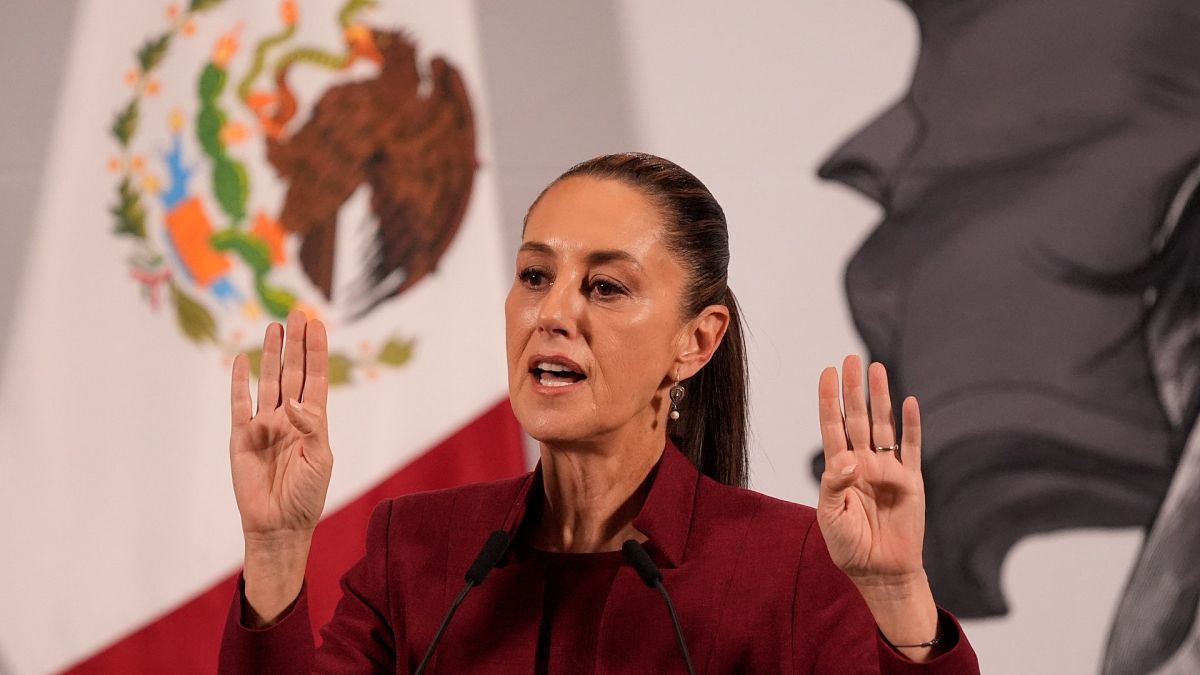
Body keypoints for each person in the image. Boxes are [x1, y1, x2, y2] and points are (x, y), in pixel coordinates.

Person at [218, 153, 981, 673]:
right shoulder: (418, 551)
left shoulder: (790, 568)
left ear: (696, 338)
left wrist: (895, 597)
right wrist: (278, 547)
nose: (552, 312)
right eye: (534, 275)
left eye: (605, 287)